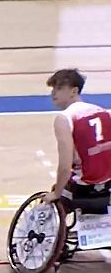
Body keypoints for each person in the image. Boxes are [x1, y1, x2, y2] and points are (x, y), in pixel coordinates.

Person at [42, 68, 111, 210]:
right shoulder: (103, 112)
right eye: (53, 88)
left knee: (55, 194)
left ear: (74, 91)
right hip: (107, 186)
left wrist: (56, 193)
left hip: (82, 188)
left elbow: (65, 167)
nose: (53, 92)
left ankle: (60, 231)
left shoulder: (65, 119)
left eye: (59, 88)